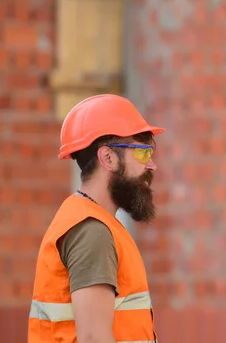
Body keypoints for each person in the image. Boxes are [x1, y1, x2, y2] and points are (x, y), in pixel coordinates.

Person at [28, 94, 165, 343]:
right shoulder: (92, 231)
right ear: (108, 158)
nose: (152, 165)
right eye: (143, 152)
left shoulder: (92, 222)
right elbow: (93, 338)